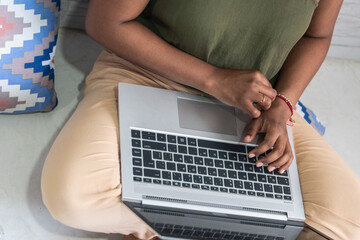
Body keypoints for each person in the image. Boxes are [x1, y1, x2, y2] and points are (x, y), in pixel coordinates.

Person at [41, 0, 360, 239]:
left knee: (351, 223)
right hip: (147, 74)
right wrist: (214, 80)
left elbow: (316, 37)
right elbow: (106, 23)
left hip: (258, 103)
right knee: (72, 198)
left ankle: (168, 225)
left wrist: (284, 104)